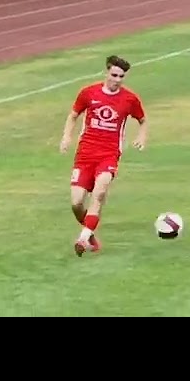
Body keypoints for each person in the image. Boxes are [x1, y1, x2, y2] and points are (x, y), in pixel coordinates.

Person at [60, 55, 148, 256]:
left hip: (109, 155)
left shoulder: (130, 99)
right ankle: (89, 232)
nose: (117, 80)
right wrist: (66, 137)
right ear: (106, 72)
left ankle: (83, 239)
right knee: (76, 203)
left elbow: (142, 120)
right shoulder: (88, 93)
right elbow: (73, 115)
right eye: (114, 75)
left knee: (99, 194)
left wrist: (142, 137)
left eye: (121, 76)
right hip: (85, 155)